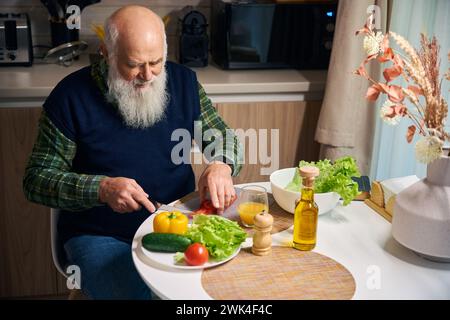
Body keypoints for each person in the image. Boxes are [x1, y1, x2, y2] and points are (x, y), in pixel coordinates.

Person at [23, 5, 242, 299]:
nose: (148, 75)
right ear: (107, 53)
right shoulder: (69, 97)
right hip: (101, 235)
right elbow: (36, 181)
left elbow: (223, 138)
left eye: (157, 62)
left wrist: (221, 164)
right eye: (134, 64)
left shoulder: (184, 82)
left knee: (222, 291)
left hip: (178, 222)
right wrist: (101, 188)